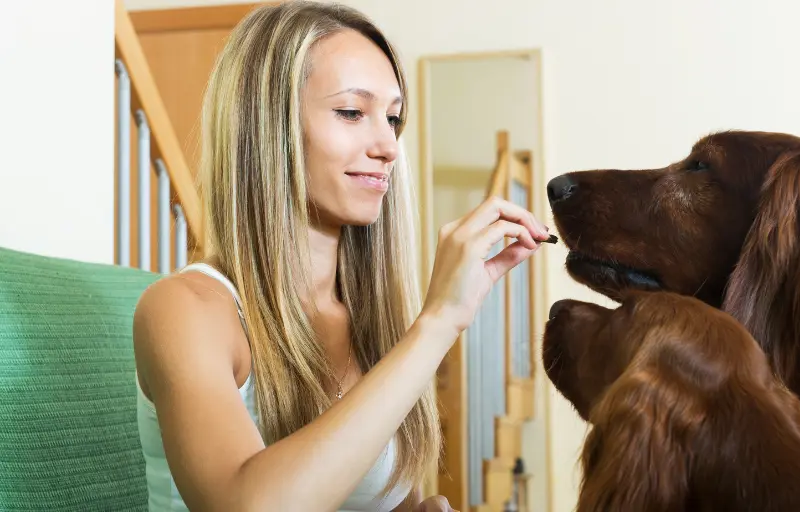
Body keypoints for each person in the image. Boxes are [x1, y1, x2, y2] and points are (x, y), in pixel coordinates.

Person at [131, 2, 550, 511]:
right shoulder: (184, 310)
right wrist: (438, 321)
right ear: (266, 128)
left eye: (392, 118)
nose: (389, 146)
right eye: (352, 112)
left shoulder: (370, 321)